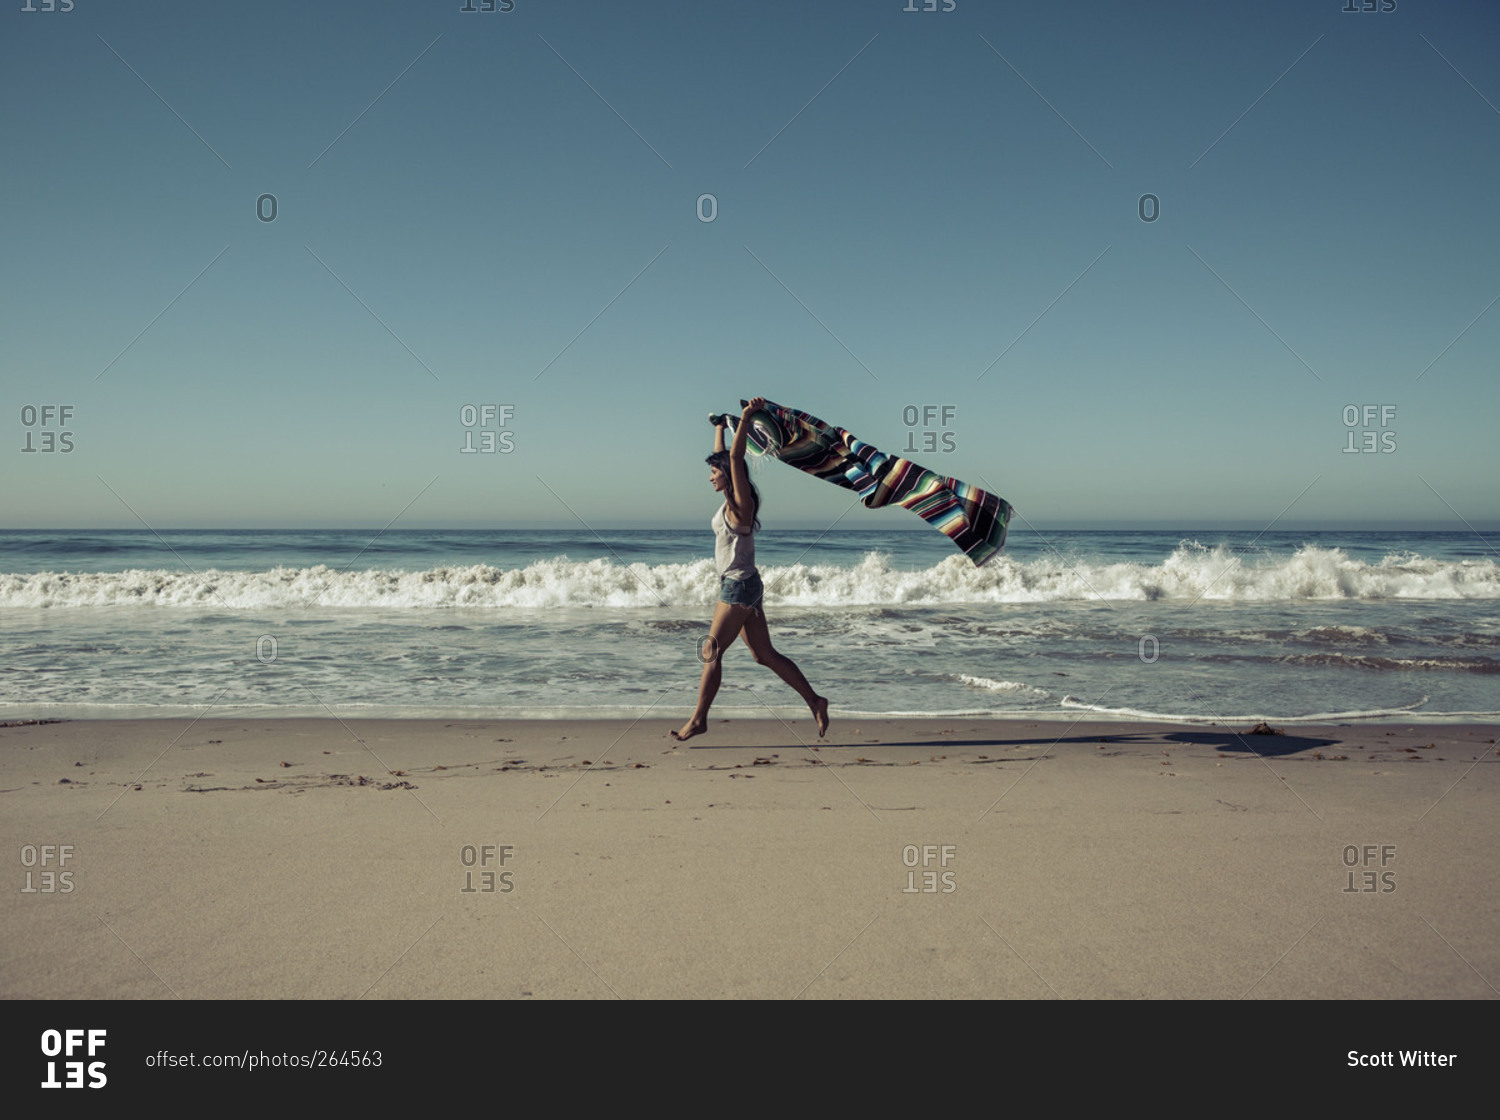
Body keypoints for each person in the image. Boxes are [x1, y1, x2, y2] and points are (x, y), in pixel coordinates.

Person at [671, 397, 830, 742]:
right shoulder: (730, 501)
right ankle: (815, 700)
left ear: (727, 477)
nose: (709, 477)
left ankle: (698, 720)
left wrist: (744, 419)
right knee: (764, 655)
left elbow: (734, 458)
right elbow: (725, 457)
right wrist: (718, 428)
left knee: (711, 650)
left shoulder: (741, 505)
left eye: (713, 473)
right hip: (746, 585)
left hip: (739, 588)